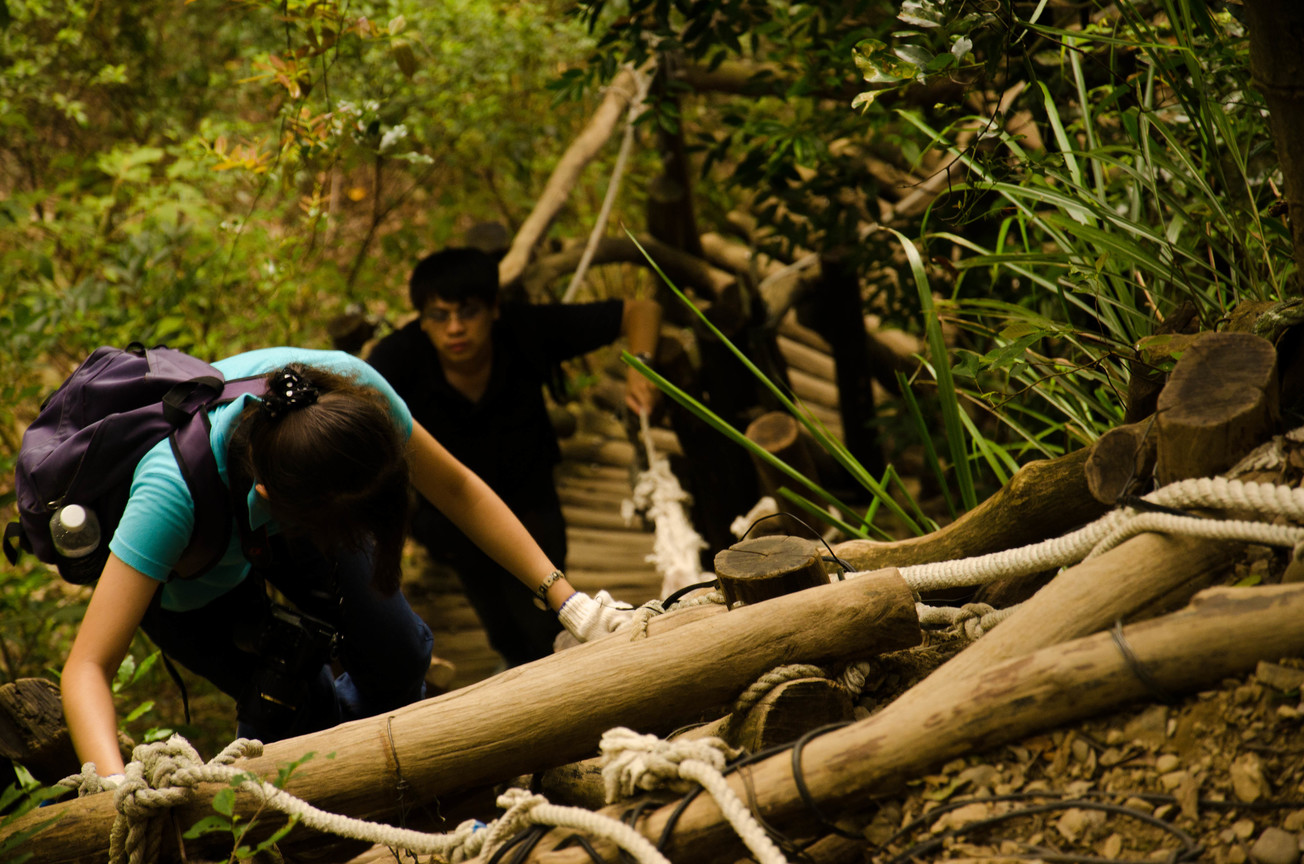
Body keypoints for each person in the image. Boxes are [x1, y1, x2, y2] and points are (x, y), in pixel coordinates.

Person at [60, 347, 629, 781]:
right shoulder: (168, 496)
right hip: (194, 573)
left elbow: (457, 488)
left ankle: (393, 744)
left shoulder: (353, 405)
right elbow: (86, 667)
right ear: (272, 500)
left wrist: (568, 602)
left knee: (397, 651)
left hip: (315, 502)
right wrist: (115, 789)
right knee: (298, 711)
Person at [367, 247, 661, 666]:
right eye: (439, 316)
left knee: (543, 623)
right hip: (455, 525)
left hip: (533, 505)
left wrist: (640, 368)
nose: (455, 328)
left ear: (494, 309)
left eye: (468, 312)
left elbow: (642, 310)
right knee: (501, 628)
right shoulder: (398, 359)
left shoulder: (526, 330)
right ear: (422, 320)